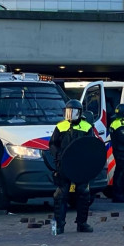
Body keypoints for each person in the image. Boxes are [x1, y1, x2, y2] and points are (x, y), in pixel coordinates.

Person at [48, 100, 97, 234]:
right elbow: (52, 143)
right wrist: (57, 154)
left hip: (80, 166)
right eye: (68, 112)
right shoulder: (60, 126)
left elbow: (91, 146)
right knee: (60, 195)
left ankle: (82, 223)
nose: (70, 115)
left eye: (73, 112)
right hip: (64, 165)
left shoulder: (87, 127)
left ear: (80, 113)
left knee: (84, 193)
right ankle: (59, 224)